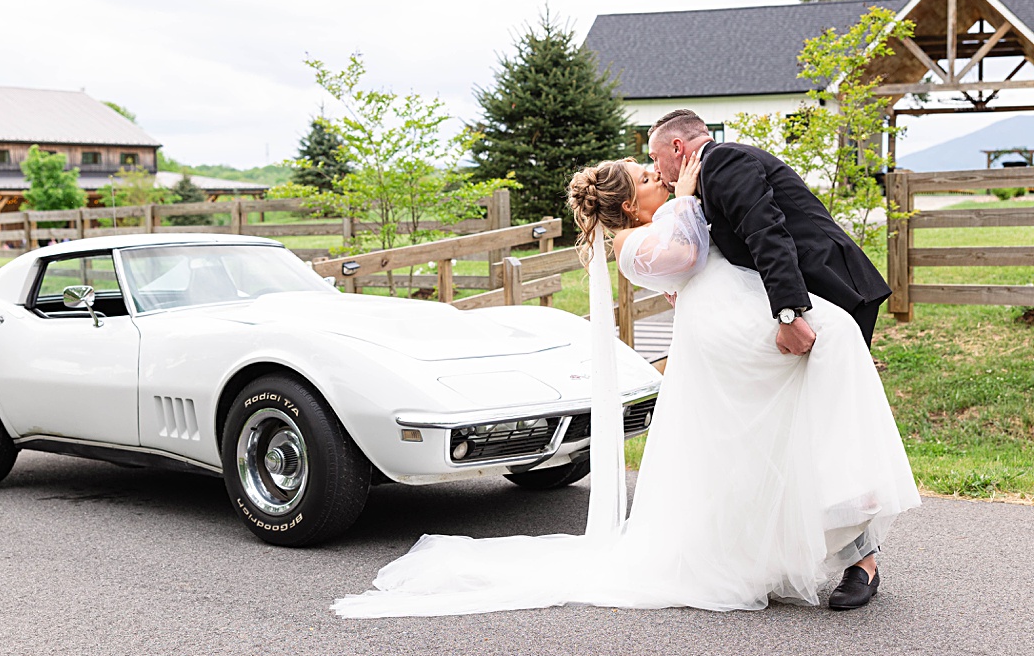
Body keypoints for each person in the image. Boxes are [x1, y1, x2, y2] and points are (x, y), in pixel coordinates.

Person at [331, 150, 919, 618]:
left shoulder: (666, 221)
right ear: (629, 204)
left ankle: (851, 539)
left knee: (779, 429)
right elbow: (685, 253)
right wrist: (683, 200)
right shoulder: (634, 241)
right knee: (771, 422)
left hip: (736, 323)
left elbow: (702, 255)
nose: (657, 176)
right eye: (645, 177)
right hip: (727, 339)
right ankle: (841, 541)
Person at [646, 109, 896, 603]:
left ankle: (862, 563)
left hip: (824, 297)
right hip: (805, 299)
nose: (655, 168)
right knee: (799, 435)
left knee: (828, 435)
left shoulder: (723, 162)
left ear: (679, 148)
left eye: (655, 156)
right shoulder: (710, 176)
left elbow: (766, 231)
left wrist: (788, 313)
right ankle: (841, 553)